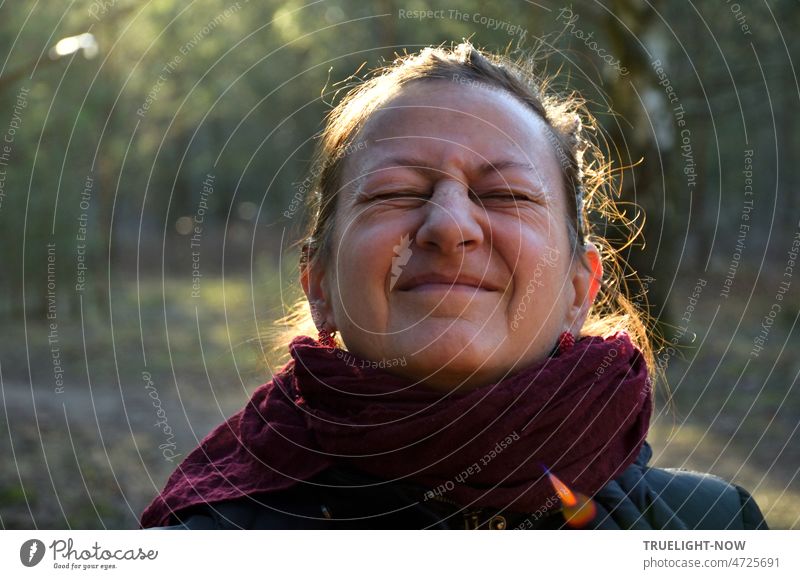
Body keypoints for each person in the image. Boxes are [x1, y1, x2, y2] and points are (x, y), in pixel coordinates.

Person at [140, 42, 767, 530]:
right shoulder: (207, 538)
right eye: (397, 193)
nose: (448, 225)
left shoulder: (715, 528)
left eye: (507, 195)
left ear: (581, 288)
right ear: (319, 283)